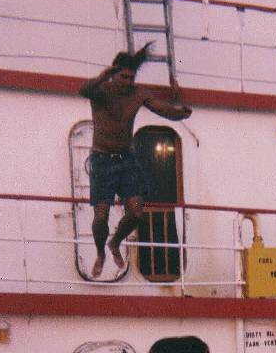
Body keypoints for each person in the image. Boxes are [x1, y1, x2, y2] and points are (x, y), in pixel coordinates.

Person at [79, 44, 192, 277]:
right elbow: (83, 90)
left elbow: (161, 108)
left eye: (131, 78)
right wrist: (103, 75)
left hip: (127, 159)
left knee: (137, 213)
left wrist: (179, 113)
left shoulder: (138, 93)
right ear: (114, 74)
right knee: (100, 218)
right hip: (102, 160)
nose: (127, 82)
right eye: (123, 77)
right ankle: (100, 252)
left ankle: (115, 242)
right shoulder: (102, 91)